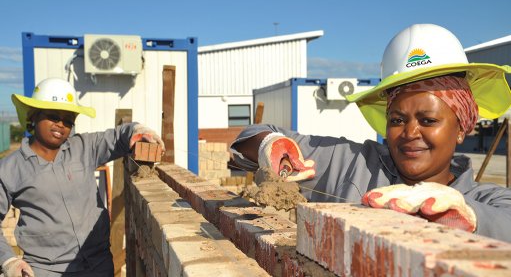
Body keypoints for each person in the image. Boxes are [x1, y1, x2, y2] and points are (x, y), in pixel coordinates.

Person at [230, 24, 511, 242]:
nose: (410, 132)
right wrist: (270, 145)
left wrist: (464, 214)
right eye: (398, 119)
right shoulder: (351, 162)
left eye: (427, 120)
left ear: (461, 128)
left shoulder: (488, 200)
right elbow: (250, 139)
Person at [0, 78, 165, 276]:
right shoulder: (10, 168)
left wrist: (138, 131)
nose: (61, 125)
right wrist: (8, 260)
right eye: (53, 116)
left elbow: (117, 136)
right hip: (47, 270)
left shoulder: (83, 148)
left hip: (97, 263)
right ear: (34, 116)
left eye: (68, 120)